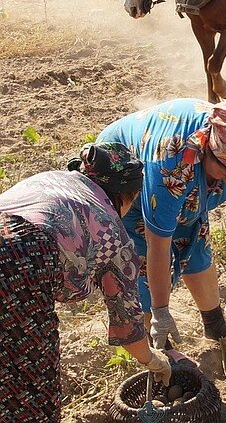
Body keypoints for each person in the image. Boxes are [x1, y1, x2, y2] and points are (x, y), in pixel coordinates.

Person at [96, 98, 226, 356]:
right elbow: (159, 245)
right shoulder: (171, 163)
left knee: (193, 234)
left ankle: (215, 324)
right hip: (123, 172)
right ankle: (158, 346)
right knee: (140, 254)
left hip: (184, 170)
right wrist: (162, 311)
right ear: (206, 150)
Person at [0, 143, 172, 422]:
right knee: (30, 389)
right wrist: (152, 359)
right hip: (19, 261)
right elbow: (129, 326)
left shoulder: (51, 178)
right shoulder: (111, 232)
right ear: (129, 195)